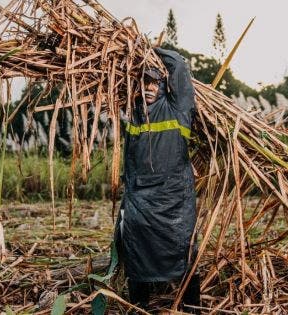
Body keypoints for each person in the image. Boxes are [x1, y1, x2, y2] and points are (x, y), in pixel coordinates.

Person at [114, 47, 201, 313]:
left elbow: (179, 65)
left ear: (164, 85)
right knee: (134, 247)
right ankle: (140, 306)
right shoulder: (134, 113)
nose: (149, 88)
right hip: (141, 198)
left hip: (174, 198)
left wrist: (148, 49)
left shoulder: (179, 107)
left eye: (155, 82)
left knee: (184, 249)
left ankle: (192, 307)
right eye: (144, 82)